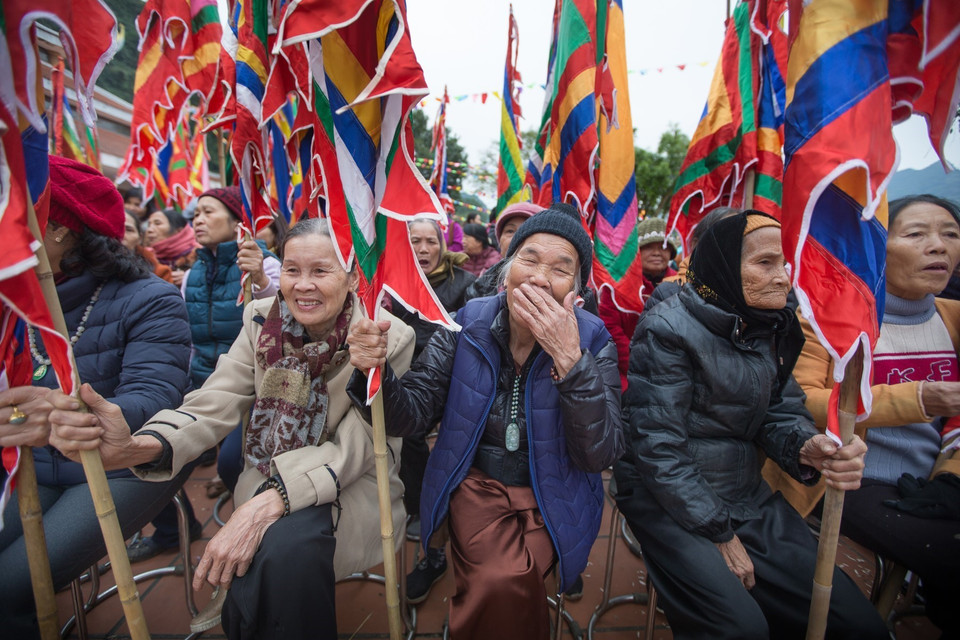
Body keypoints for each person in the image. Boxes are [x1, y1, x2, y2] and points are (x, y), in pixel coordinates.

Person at [48, 218, 417, 640]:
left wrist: (270, 502)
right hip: (269, 469)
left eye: (321, 271)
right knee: (267, 546)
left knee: (281, 548)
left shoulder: (385, 335)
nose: (302, 285)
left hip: (355, 481)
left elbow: (360, 444)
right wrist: (138, 446)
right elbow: (215, 399)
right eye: (292, 270)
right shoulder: (260, 318)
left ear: (353, 275)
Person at [347, 202, 623, 639]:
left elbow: (599, 454)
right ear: (506, 267)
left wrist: (571, 362)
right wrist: (371, 372)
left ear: (577, 291)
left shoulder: (592, 338)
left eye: (560, 268)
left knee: (516, 581)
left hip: (555, 492)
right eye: (528, 259)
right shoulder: (467, 322)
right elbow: (413, 413)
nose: (537, 277)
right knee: (503, 580)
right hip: (476, 487)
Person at [614, 211, 888, 640]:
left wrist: (806, 445)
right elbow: (658, 447)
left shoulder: (769, 325)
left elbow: (778, 408)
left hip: (743, 493)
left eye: (785, 264)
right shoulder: (668, 329)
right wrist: (718, 533)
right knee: (739, 628)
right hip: (667, 495)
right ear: (722, 264)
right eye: (765, 263)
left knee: (852, 621)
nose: (782, 278)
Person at [0, 157, 194, 639]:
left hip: (120, 464)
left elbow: (155, 400)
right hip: (29, 462)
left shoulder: (150, 298)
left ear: (62, 230)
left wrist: (71, 415)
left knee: (9, 588)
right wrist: (22, 415)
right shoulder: (11, 300)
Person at [764, 194, 960, 637]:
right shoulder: (832, 320)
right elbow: (804, 399)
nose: (938, 246)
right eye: (916, 234)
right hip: (850, 476)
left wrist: (950, 477)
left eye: (950, 234)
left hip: (934, 480)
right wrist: (920, 398)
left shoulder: (953, 320)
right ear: (876, 246)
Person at [127, 187, 281, 563]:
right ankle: (173, 529)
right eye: (195, 213)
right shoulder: (193, 272)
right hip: (201, 380)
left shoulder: (266, 264)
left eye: (208, 212)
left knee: (230, 463)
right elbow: (186, 333)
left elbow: (280, 321)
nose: (197, 219)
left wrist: (259, 277)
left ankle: (257, 531)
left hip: (253, 383)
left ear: (236, 222)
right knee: (157, 450)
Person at [389, 219, 476, 603]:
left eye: (430, 241)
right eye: (415, 241)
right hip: (403, 376)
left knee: (448, 453)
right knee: (401, 432)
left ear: (443, 245)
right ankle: (415, 506)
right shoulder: (391, 281)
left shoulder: (464, 282)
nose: (423, 249)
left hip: (449, 377)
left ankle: (435, 544)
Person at [598, 216, 679, 390]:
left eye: (664, 247)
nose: (657, 252)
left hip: (674, 374)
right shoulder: (616, 285)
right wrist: (639, 364)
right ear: (637, 251)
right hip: (626, 376)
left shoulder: (683, 285)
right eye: (649, 247)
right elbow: (611, 329)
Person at [464, 202, 542, 301]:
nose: (517, 238)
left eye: (528, 230)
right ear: (499, 240)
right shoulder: (484, 282)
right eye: (510, 231)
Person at [143, 207, 199, 287]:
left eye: (157, 223)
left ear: (179, 231)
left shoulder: (200, 255)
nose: (149, 230)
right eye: (149, 225)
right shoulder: (145, 257)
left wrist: (189, 278)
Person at [122, 210, 173, 283]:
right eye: (115, 227)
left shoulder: (159, 273)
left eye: (128, 230)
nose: (121, 234)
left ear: (140, 238)